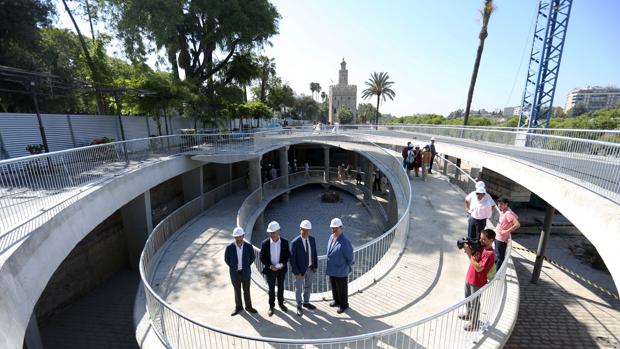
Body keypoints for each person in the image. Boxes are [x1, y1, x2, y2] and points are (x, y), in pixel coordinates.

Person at [460, 229, 495, 331]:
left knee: (475, 302)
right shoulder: (481, 248)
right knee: (467, 298)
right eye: (480, 238)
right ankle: (468, 314)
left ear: (491, 240)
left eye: (484, 239)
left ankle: (474, 323)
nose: (481, 241)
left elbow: (479, 267)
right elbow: (473, 259)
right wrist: (468, 249)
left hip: (477, 282)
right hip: (469, 277)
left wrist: (470, 255)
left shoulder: (489, 254)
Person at [224, 227, 257, 316]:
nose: (238, 238)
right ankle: (238, 307)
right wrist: (234, 267)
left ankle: (248, 307)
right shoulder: (229, 248)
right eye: (236, 237)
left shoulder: (249, 247)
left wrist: (245, 267)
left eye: (240, 236)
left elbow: (252, 258)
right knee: (237, 290)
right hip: (235, 273)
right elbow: (227, 260)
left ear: (243, 236)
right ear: (234, 237)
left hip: (245, 272)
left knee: (247, 290)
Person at [259, 221, 290, 316]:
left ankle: (281, 303)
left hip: (281, 270)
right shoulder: (265, 243)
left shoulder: (285, 242)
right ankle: (271, 306)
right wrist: (270, 266)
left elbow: (287, 256)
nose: (271, 234)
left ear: (278, 231)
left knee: (281, 288)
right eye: (270, 233)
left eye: (273, 232)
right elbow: (261, 257)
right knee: (271, 289)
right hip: (270, 270)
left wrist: (282, 264)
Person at [290, 220, 319, 317]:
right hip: (299, 271)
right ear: (300, 230)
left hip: (310, 268)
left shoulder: (312, 239)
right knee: (298, 289)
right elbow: (292, 259)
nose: (306, 232)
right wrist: (296, 272)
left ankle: (306, 302)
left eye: (308, 230)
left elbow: (314, 254)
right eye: (304, 230)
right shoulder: (295, 242)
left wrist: (315, 266)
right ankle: (299, 305)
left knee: (308, 286)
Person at [326, 218, 353, 314]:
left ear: (341, 228)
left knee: (342, 288)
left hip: (341, 270)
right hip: (332, 269)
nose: (333, 230)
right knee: (334, 286)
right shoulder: (331, 237)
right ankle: (336, 301)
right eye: (332, 228)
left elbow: (350, 257)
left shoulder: (345, 241)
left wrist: (347, 268)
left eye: (335, 228)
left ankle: (344, 305)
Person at [495, 197, 520, 269]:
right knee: (498, 255)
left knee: (500, 257)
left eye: (501, 204)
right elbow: (516, 216)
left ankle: (498, 273)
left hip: (501, 239)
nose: (499, 205)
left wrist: (506, 231)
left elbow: (517, 224)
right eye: (498, 204)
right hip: (498, 236)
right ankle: (496, 270)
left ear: (506, 204)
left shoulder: (507, 213)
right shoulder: (505, 211)